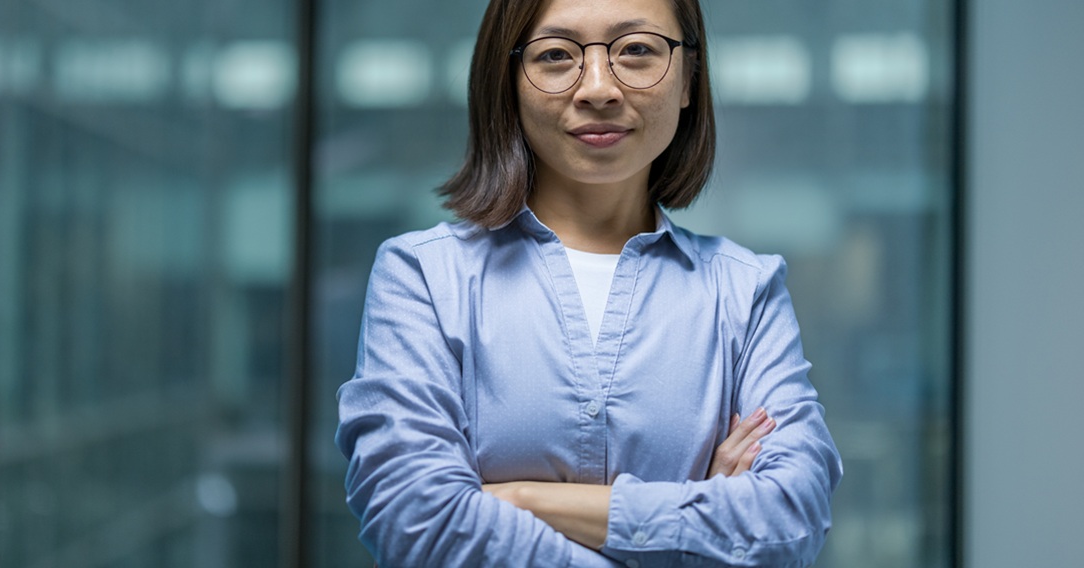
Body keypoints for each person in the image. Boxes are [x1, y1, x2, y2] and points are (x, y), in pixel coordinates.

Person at [334, 0, 842, 565]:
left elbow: (790, 523)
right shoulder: (425, 277)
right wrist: (696, 521)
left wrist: (521, 498)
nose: (598, 88)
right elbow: (414, 522)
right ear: (509, 83)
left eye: (637, 51)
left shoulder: (746, 291)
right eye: (555, 55)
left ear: (687, 82)